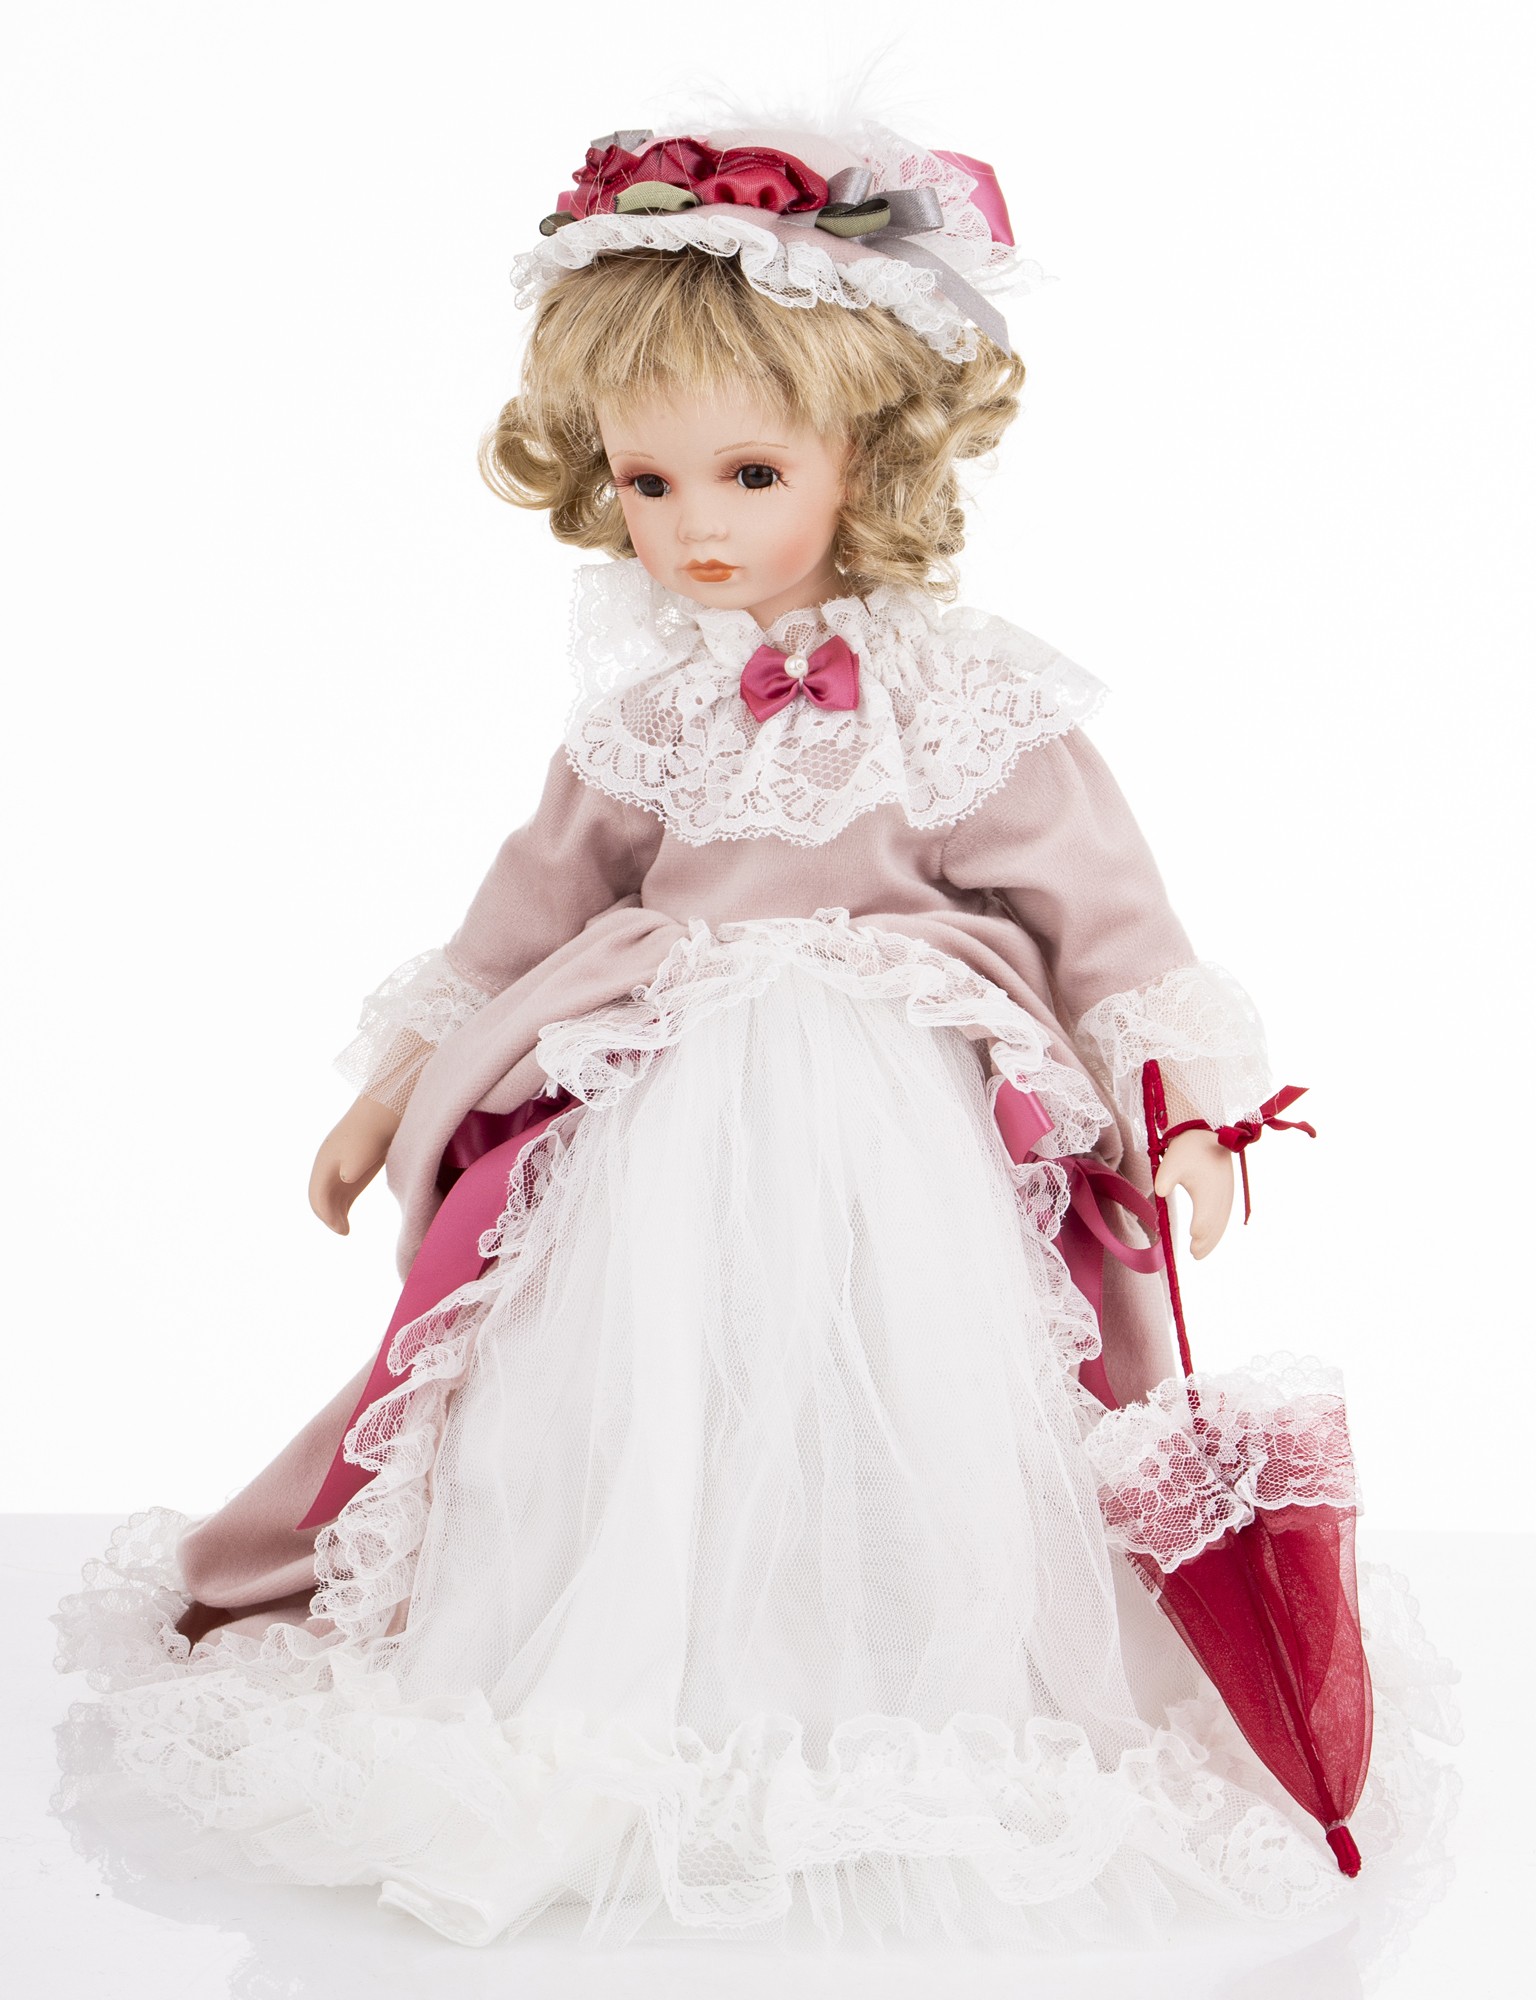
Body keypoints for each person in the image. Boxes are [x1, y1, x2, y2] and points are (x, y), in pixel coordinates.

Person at [51, 118, 1455, 1952]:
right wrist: (397, 1081)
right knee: (630, 1383)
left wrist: (1180, 1114)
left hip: (902, 1127)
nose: (694, 526)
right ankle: (630, 1672)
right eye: (649, 481)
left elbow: (1111, 928)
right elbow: (524, 914)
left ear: (868, 456)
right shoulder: (644, 720)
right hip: (659, 1110)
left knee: (917, 1386)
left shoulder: (969, 705)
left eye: (748, 472)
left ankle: (903, 1678)